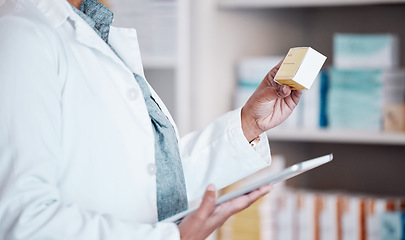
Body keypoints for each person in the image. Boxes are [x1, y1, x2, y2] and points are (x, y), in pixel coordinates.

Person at [0, 0, 302, 239]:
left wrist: (249, 122)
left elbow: (150, 175)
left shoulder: (86, 28)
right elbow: (23, 219)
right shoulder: (23, 36)